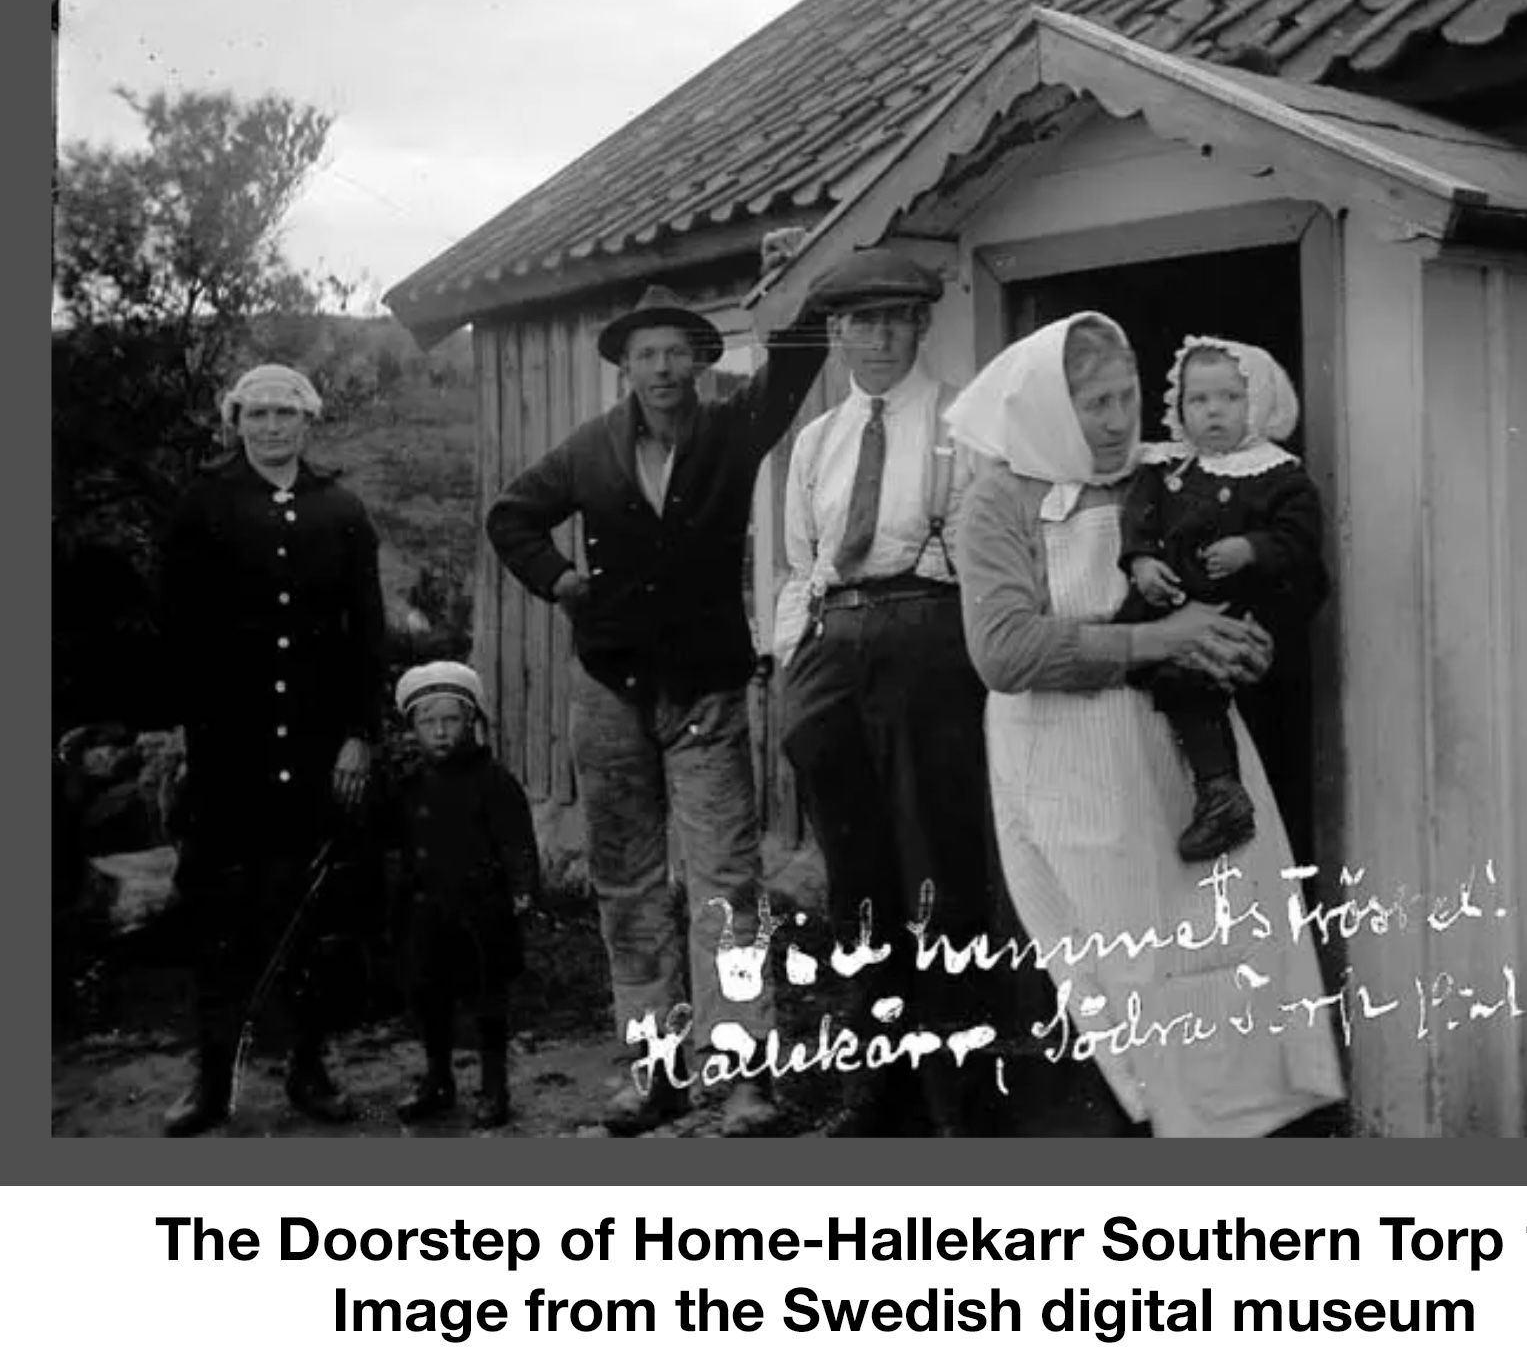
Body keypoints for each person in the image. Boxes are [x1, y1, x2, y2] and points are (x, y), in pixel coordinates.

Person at [950, 314, 1345, 1137]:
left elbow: (1271, 567)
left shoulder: (1169, 472)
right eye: (1092, 404)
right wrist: (1157, 639)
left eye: (1126, 397)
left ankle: (1241, 1133)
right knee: (1110, 957)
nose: (1115, 421)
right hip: (1068, 758)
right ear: (1047, 409)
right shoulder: (999, 498)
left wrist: (1245, 634)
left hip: (1186, 748)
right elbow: (1003, 650)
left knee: (1225, 947)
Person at [485, 285, 829, 1137]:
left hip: (705, 692)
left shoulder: (732, 429)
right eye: (647, 354)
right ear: (626, 366)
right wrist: (561, 581)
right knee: (628, 886)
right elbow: (512, 517)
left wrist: (801, 287)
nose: (663, 367)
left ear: (702, 362)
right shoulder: (589, 449)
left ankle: (742, 1076)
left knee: (726, 887)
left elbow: (795, 364)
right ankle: (656, 1070)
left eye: (678, 351)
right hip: (608, 691)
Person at [773, 248, 1004, 1137]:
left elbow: (985, 554)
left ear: (921, 325)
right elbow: (801, 565)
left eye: (894, 320)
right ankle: (881, 1083)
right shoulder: (816, 440)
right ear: (835, 331)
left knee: (938, 869)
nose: (876, 339)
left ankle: (958, 1096)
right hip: (832, 646)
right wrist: (796, 669)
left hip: (927, 638)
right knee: (857, 881)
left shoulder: (963, 423)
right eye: (858, 323)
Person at [159, 364, 388, 1136]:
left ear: (307, 422)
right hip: (229, 752)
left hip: (320, 753)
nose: (270, 426)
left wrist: (359, 733)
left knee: (314, 915)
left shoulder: (341, 510)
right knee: (221, 917)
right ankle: (211, 1079)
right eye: (255, 413)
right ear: (236, 422)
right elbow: (177, 631)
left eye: (284, 413)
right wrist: (187, 734)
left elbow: (367, 631)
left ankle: (309, 1067)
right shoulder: (203, 505)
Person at [1115, 336, 1328, 862]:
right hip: (1171, 613)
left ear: (1258, 403)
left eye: (1230, 398)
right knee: (1167, 684)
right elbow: (1139, 523)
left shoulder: (1278, 475)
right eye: (1198, 399)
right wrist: (1142, 564)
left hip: (1245, 615)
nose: (1213, 411)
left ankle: (1226, 796)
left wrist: (1252, 548)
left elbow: (1300, 542)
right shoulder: (1165, 468)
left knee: (1226, 699)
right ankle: (1216, 791)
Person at [385, 662, 539, 1130]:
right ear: (412, 727)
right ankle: (437, 1079)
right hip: (426, 912)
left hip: (481, 913)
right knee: (428, 998)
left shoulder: (492, 781)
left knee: (487, 1002)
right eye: (428, 722)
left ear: (470, 721)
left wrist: (522, 888)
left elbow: (516, 840)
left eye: (451, 720)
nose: (440, 732)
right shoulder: (408, 785)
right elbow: (394, 841)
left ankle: (494, 1087)